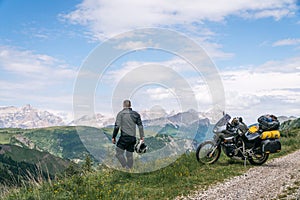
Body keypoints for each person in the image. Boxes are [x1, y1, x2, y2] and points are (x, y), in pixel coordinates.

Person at [112, 100, 144, 169]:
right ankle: (129, 170)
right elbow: (140, 126)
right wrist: (142, 137)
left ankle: (125, 167)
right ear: (130, 105)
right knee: (129, 155)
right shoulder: (136, 114)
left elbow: (117, 127)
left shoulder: (120, 114)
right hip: (132, 138)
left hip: (124, 137)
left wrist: (113, 137)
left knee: (118, 153)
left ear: (123, 105)